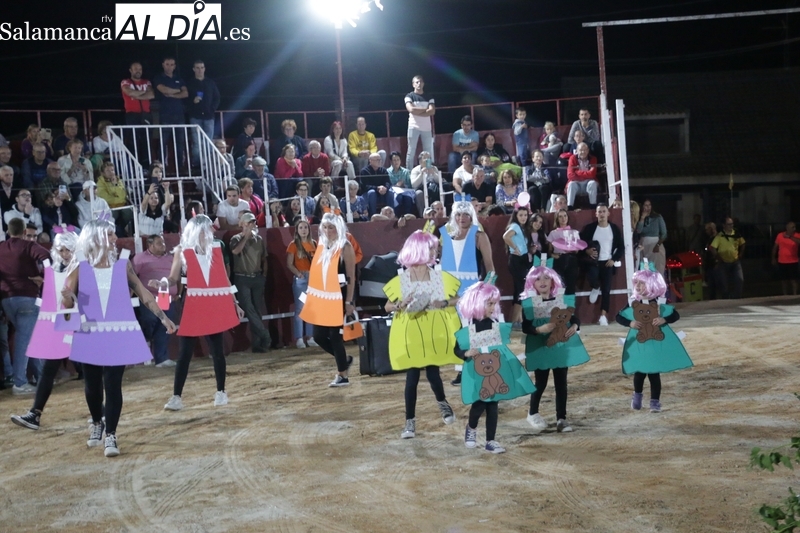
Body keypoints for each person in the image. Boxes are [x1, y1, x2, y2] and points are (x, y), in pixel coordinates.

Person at [63, 218, 176, 457]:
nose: (116, 239)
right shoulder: (80, 265)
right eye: (111, 235)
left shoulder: (122, 263)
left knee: (113, 385)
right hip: (89, 332)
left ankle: (111, 434)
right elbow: (67, 301)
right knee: (92, 387)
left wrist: (163, 317)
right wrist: (66, 297)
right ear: (96, 238)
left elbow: (143, 293)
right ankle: (97, 422)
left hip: (119, 331)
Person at [157, 215, 243, 411]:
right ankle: (176, 396)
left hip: (214, 303)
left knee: (217, 351)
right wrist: (163, 283)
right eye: (206, 229)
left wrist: (235, 302)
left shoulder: (217, 249)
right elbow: (172, 277)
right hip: (193, 304)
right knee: (184, 353)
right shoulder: (182, 251)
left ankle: (221, 391)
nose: (210, 233)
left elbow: (224, 279)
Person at [383, 230, 461, 439]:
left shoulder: (438, 276)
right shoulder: (402, 278)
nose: (435, 251)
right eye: (431, 247)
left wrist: (443, 302)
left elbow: (457, 299)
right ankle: (410, 422)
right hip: (411, 333)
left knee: (433, 374)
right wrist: (399, 305)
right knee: (412, 378)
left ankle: (443, 403)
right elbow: (387, 306)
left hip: (433, 332)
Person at [454, 281, 535, 454]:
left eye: (494, 303)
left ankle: (491, 440)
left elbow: (502, 350)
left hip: (495, 369)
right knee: (479, 404)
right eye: (489, 303)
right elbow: (457, 349)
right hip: (475, 371)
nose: (493, 307)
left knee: (493, 405)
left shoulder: (496, 323)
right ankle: (472, 428)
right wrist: (466, 353)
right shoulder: (467, 325)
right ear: (477, 302)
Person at [10, 231, 79, 430]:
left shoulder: (82, 268)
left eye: (68, 250)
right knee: (49, 369)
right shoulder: (55, 268)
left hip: (79, 326)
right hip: (58, 325)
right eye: (62, 250)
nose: (65, 254)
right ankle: (35, 413)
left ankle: (100, 415)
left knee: (90, 373)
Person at [521, 263, 589, 434]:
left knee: (561, 383)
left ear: (553, 282)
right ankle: (533, 413)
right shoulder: (529, 304)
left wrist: (574, 326)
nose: (542, 282)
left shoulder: (561, 300)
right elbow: (526, 326)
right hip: (539, 346)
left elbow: (574, 318)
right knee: (541, 382)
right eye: (537, 279)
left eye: (546, 278)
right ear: (532, 284)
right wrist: (538, 330)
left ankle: (561, 418)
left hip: (560, 346)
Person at [616, 265, 693, 413]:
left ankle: (654, 402)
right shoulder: (633, 302)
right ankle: (637, 396)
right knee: (639, 372)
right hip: (639, 342)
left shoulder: (660, 302)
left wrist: (664, 319)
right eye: (636, 283)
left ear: (652, 284)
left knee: (654, 373)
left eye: (641, 283)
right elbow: (618, 317)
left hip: (655, 343)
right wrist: (630, 323)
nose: (637, 286)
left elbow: (675, 315)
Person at [441, 198, 494, 387]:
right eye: (458, 214)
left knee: (472, 330)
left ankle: (477, 367)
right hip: (450, 292)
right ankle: (462, 368)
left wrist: (486, 294)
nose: (462, 218)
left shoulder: (479, 236)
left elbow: (490, 269)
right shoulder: (446, 236)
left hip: (472, 293)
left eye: (465, 214)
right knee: (457, 331)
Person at [299, 213, 357, 387]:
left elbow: (351, 277)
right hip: (322, 297)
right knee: (318, 336)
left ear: (338, 228)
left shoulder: (345, 246)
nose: (328, 230)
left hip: (339, 295)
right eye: (325, 227)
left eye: (331, 227)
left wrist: (349, 302)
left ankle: (342, 374)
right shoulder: (322, 245)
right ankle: (344, 360)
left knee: (335, 335)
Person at [0, 218, 50, 394]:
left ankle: (41, 377)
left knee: (29, 338)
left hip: (6, 300)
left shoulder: (1, 247)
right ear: (23, 232)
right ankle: (20, 382)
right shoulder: (28, 246)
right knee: (24, 340)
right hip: (27, 297)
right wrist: (43, 277)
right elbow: (46, 256)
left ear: (8, 231)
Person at [230, 212, 271, 353]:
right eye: (248, 223)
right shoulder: (236, 238)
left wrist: (263, 275)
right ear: (242, 225)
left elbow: (264, 258)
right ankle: (264, 334)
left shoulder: (259, 239)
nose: (252, 225)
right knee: (249, 307)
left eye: (253, 222)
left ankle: (257, 343)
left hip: (257, 277)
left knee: (257, 309)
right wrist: (245, 238)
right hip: (242, 278)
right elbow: (235, 251)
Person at [581, 204, 624, 326]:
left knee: (606, 290)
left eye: (604, 211)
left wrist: (614, 259)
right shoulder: (590, 228)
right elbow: (581, 243)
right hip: (593, 262)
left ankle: (603, 316)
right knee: (592, 278)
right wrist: (587, 251)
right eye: (599, 212)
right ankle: (595, 287)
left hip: (607, 262)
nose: (601, 214)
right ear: (596, 214)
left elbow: (621, 246)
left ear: (608, 213)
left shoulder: (614, 229)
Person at [286, 218, 318, 349]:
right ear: (297, 230)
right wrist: (298, 274)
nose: (303, 230)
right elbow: (289, 263)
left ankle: (310, 337)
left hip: (313, 278)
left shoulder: (314, 244)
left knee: (311, 308)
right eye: (301, 228)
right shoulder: (293, 245)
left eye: (305, 227)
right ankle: (299, 338)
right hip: (301, 278)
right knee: (300, 308)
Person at [153, 56, 188, 167]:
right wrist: (178, 90)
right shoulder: (159, 77)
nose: (169, 67)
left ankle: (180, 167)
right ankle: (161, 167)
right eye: (167, 64)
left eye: (172, 64)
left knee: (180, 143)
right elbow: (163, 90)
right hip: (165, 115)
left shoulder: (179, 79)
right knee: (163, 143)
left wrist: (172, 94)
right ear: (163, 65)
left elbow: (186, 93)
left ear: (175, 66)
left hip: (179, 116)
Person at [186, 60, 221, 166]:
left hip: (209, 116)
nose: (200, 70)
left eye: (201, 67)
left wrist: (212, 109)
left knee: (208, 141)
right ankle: (196, 164)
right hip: (195, 116)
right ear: (193, 69)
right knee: (197, 142)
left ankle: (208, 164)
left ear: (204, 69)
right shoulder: (190, 83)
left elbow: (217, 97)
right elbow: (184, 99)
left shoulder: (210, 82)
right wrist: (192, 101)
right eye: (197, 68)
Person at [502, 206, 533, 325]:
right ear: (516, 216)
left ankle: (517, 319)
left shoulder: (522, 228)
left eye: (525, 215)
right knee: (521, 289)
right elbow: (505, 236)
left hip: (521, 260)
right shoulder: (515, 226)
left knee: (520, 289)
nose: (524, 217)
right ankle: (515, 320)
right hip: (516, 260)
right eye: (521, 215)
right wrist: (515, 248)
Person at [120, 61, 154, 163]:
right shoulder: (126, 82)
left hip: (146, 114)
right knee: (133, 140)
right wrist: (143, 93)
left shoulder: (146, 82)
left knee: (146, 140)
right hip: (132, 114)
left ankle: (146, 165)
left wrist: (137, 95)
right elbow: (129, 92)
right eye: (135, 69)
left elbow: (152, 95)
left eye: (140, 69)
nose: (138, 71)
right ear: (130, 70)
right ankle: (134, 164)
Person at [709, 217, 746, 300]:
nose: (731, 226)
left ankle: (737, 298)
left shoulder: (736, 234)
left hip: (735, 262)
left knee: (739, 280)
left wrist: (741, 254)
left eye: (732, 224)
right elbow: (712, 247)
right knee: (724, 283)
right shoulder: (720, 236)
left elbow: (743, 243)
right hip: (724, 262)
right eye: (729, 224)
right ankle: (726, 298)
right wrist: (718, 257)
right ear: (724, 225)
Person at [404, 75, 435, 170]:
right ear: (413, 84)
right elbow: (411, 109)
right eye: (417, 82)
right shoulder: (409, 96)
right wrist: (426, 109)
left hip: (426, 128)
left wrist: (417, 111)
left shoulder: (429, 96)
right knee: (411, 151)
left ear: (423, 83)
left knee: (428, 152)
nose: (419, 84)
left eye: (420, 82)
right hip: (413, 127)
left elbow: (432, 111)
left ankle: (429, 170)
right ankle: (409, 173)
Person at [96, 161, 132, 237]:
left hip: (121, 205)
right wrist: (118, 198)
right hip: (109, 207)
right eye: (108, 170)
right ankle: (119, 232)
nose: (111, 172)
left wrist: (115, 184)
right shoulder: (100, 183)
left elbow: (123, 195)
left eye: (112, 170)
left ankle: (121, 230)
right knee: (113, 214)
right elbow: (106, 199)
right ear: (103, 173)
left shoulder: (118, 180)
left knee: (129, 212)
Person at [635, 199, 668, 274]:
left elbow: (664, 233)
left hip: (655, 245)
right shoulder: (639, 217)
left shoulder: (658, 217)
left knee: (656, 270)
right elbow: (638, 231)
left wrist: (658, 245)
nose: (648, 207)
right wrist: (642, 218)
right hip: (643, 245)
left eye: (649, 205)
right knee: (646, 270)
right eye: (645, 205)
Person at [386, 150, 422, 217]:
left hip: (404, 191)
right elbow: (387, 184)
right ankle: (396, 217)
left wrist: (404, 185)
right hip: (393, 192)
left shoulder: (406, 171)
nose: (396, 162)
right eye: (394, 160)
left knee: (408, 198)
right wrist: (396, 185)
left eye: (398, 160)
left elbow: (410, 185)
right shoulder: (387, 172)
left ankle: (407, 217)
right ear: (391, 161)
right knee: (398, 198)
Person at [566, 143, 598, 210]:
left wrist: (577, 172)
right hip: (576, 184)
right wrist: (586, 174)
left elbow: (592, 174)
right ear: (577, 151)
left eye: (585, 150)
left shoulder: (593, 159)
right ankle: (570, 207)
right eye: (580, 150)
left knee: (592, 183)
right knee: (571, 184)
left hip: (588, 184)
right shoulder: (572, 158)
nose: (583, 152)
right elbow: (570, 175)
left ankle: (593, 207)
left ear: (588, 150)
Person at [772, 221, 800, 295]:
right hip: (782, 261)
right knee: (784, 280)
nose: (794, 229)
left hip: (793, 261)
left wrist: (790, 237)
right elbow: (775, 247)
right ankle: (785, 295)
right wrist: (773, 258)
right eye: (792, 227)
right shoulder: (780, 235)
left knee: (793, 280)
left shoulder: (797, 235)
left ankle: (795, 294)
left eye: (794, 227)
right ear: (787, 228)